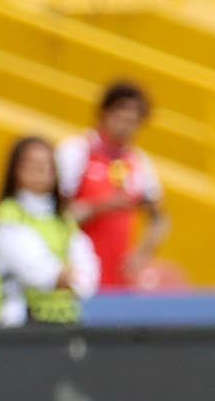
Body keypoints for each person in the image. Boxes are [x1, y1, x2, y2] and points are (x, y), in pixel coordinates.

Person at [55, 80, 168, 289]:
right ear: (104, 113)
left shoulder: (138, 162)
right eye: (121, 116)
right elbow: (55, 215)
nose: (127, 125)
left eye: (134, 120)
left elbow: (159, 218)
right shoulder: (76, 151)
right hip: (75, 273)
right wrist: (100, 207)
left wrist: (142, 254)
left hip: (119, 279)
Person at [0, 136, 99, 327]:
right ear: (15, 170)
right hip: (12, 329)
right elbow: (38, 272)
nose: (41, 170)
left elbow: (87, 271)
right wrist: (64, 277)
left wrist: (75, 280)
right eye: (32, 164)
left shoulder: (62, 220)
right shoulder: (7, 218)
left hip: (63, 322)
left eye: (48, 164)